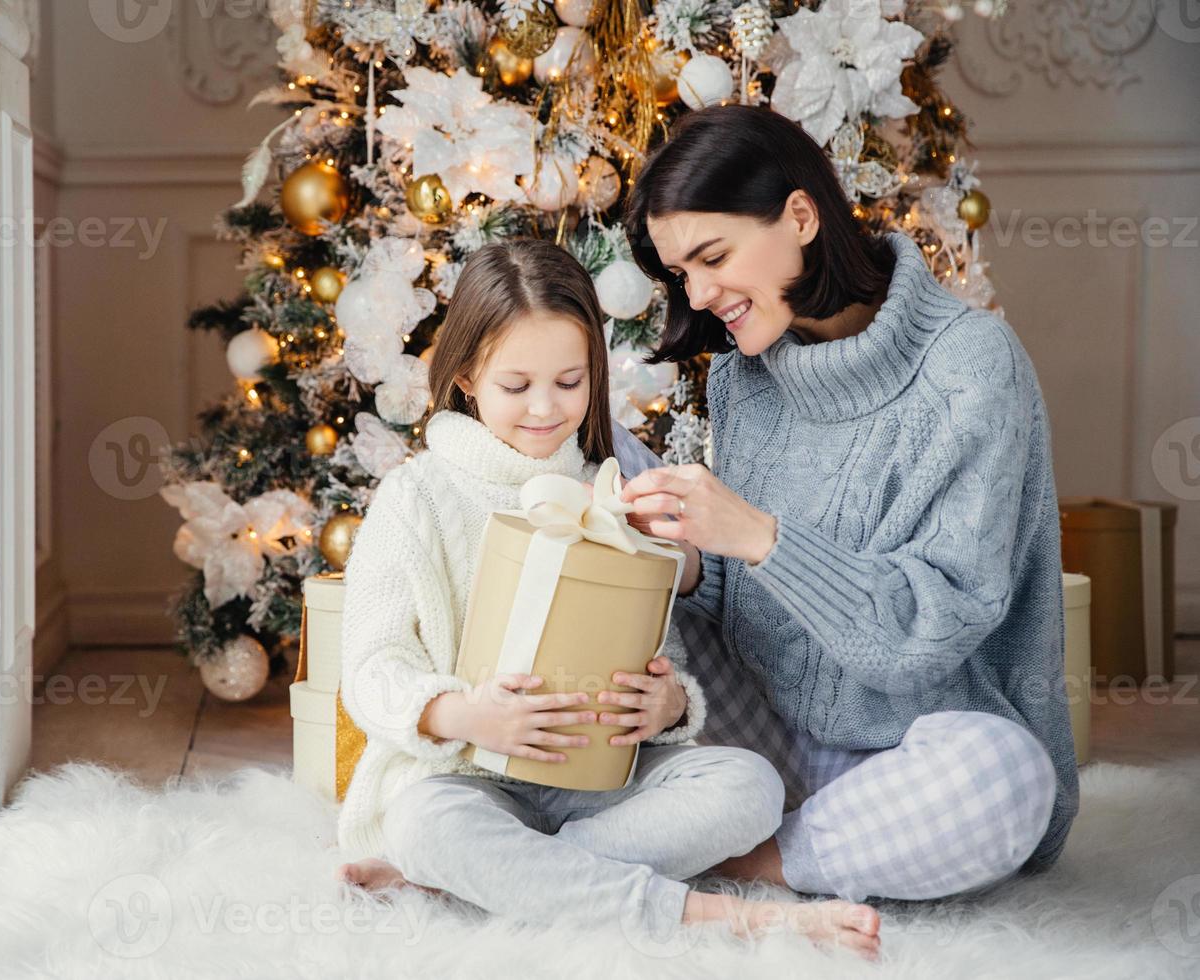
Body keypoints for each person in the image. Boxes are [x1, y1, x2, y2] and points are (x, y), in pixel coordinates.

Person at [334, 238, 882, 957]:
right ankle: (716, 918)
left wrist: (671, 705)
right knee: (422, 825)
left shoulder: (608, 491)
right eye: (515, 385)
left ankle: (487, 879)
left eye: (569, 382)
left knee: (745, 786)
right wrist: (467, 714)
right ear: (466, 377)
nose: (543, 408)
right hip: (465, 780)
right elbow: (372, 668)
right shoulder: (416, 497)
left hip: (595, 780)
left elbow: (662, 653)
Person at [609, 103, 1076, 904]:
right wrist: (689, 565)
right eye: (681, 272)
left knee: (1008, 780)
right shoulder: (744, 380)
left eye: (712, 255)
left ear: (799, 215)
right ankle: (611, 819)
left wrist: (759, 536)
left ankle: (742, 860)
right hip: (763, 741)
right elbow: (744, 608)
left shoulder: (968, 368)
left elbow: (927, 634)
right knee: (599, 450)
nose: (701, 291)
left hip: (915, 755)